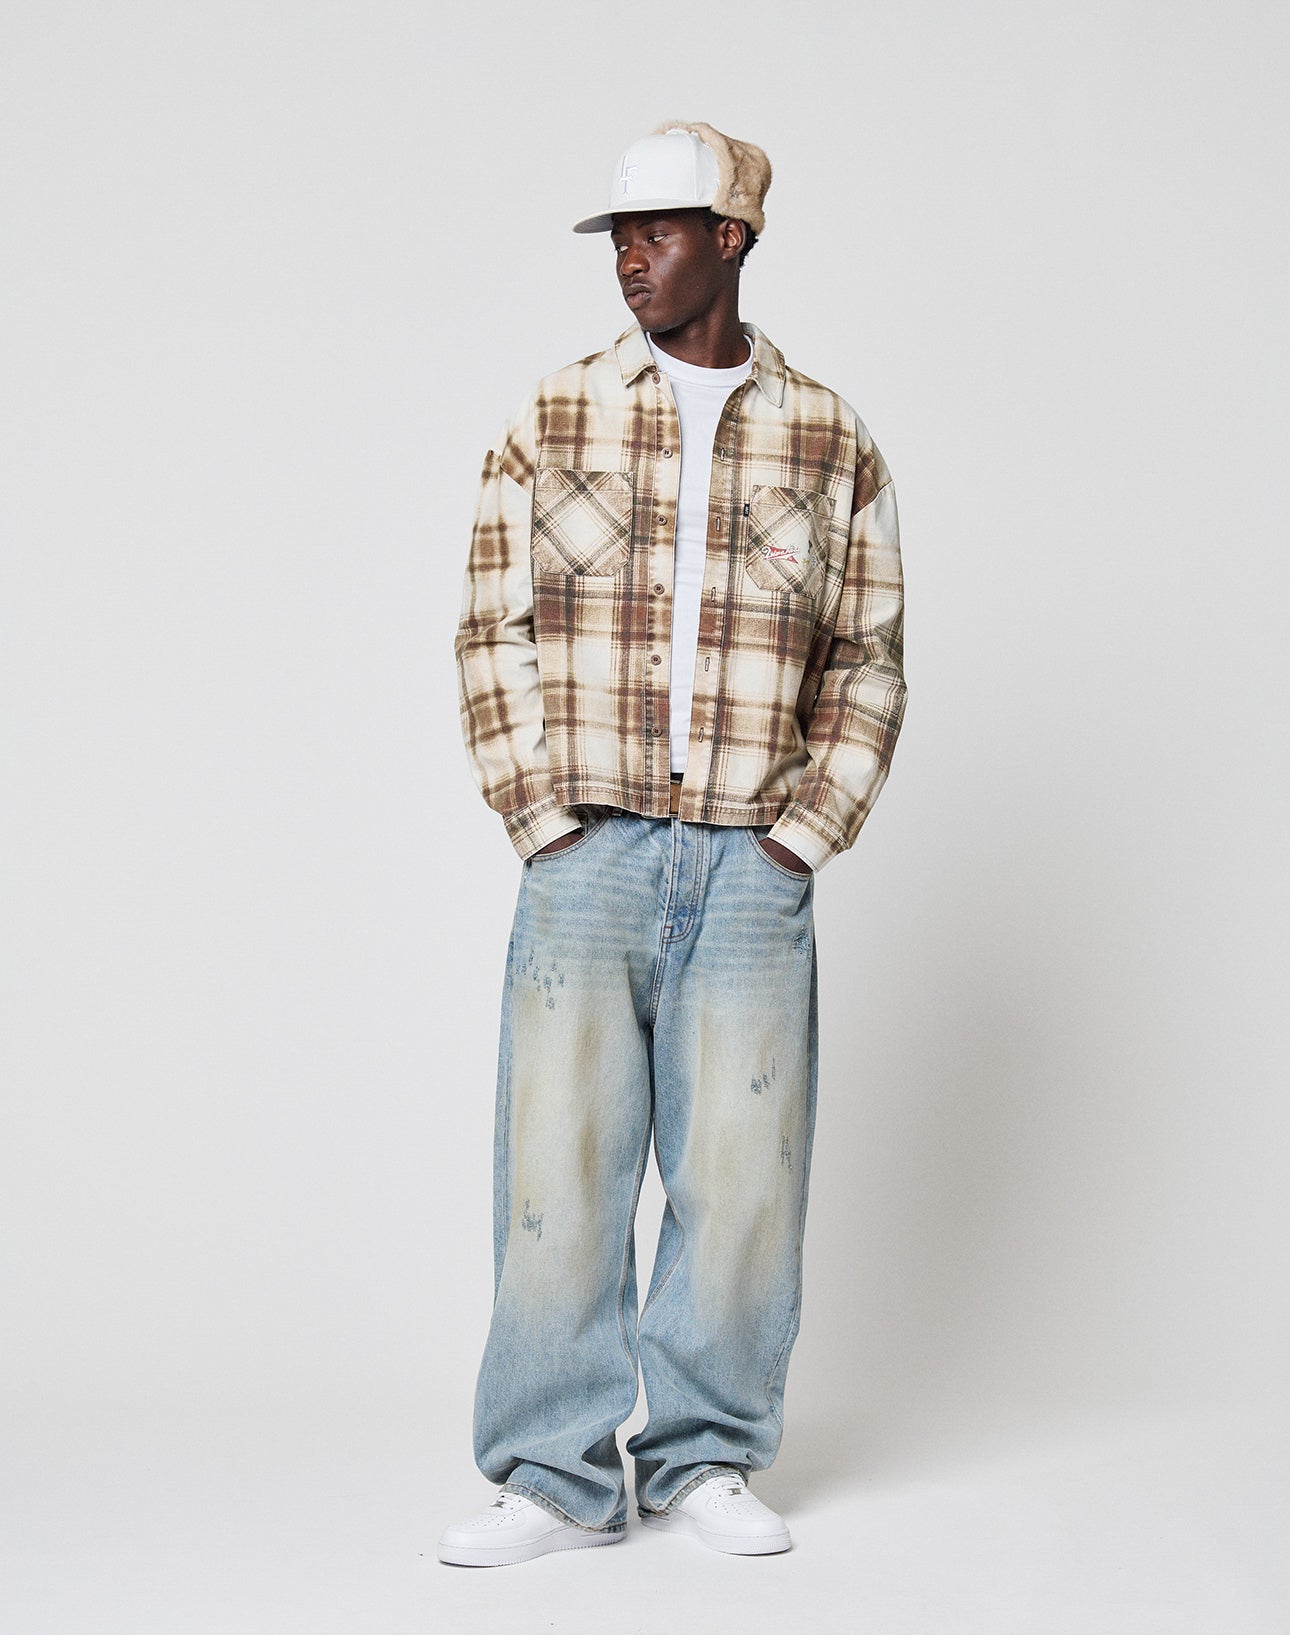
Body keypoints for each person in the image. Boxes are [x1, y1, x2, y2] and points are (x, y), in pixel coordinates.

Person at [440, 120, 906, 1568]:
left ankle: (706, 1456)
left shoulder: (829, 435)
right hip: (590, 856)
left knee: (744, 1178)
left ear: (732, 238)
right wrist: (543, 823)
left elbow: (869, 654)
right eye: (620, 236)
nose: (631, 259)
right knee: (556, 1172)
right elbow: (490, 628)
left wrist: (802, 837)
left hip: (751, 861)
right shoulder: (553, 413)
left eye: (658, 232)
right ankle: (552, 1475)